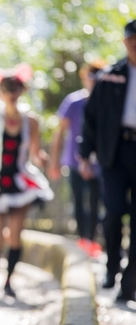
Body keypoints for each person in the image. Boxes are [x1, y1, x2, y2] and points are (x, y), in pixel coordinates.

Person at [0, 63, 53, 297]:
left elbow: (35, 152)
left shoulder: (30, 120)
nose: (12, 92)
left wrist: (42, 159)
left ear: (23, 90)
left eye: (16, 87)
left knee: (15, 235)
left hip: (20, 183)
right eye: (7, 88)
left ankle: (9, 280)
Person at [79, 20, 136, 302]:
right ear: (125, 42)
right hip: (114, 152)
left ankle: (130, 282)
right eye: (132, 39)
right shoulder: (110, 76)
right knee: (113, 213)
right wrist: (84, 156)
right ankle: (112, 266)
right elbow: (91, 119)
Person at [48, 61, 105, 256]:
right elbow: (59, 133)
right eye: (91, 76)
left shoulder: (107, 102)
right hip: (74, 162)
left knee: (97, 203)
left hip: (101, 164)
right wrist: (54, 162)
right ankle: (83, 239)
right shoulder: (74, 102)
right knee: (78, 201)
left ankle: (92, 241)